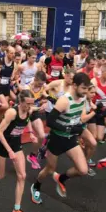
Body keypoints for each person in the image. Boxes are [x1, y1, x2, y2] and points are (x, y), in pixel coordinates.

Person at [30, 73, 92, 203]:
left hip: (70, 139)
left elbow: (77, 118)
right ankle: (36, 186)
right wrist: (68, 129)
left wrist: (79, 130)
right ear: (74, 85)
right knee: (50, 169)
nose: (86, 91)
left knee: (83, 170)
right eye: (83, 88)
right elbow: (50, 122)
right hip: (57, 139)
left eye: (87, 88)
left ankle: (61, 178)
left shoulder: (83, 98)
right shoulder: (65, 100)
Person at [90, 63, 106, 143]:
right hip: (92, 111)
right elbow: (87, 96)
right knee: (93, 137)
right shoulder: (94, 81)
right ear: (103, 72)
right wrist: (92, 105)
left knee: (99, 138)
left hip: (101, 111)